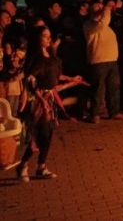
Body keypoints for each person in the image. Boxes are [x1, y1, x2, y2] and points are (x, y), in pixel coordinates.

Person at [17, 27, 82, 182]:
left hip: (50, 99)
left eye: (49, 36)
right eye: (44, 36)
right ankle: (23, 164)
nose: (48, 38)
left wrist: (71, 79)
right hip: (39, 101)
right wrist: (41, 99)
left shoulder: (52, 57)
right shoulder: (36, 58)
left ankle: (41, 166)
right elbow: (30, 80)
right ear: (37, 38)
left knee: (48, 133)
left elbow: (56, 76)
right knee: (39, 134)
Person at [83, 0, 123, 123]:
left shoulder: (105, 25)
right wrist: (107, 8)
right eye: (97, 6)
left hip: (112, 60)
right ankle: (95, 114)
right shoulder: (89, 25)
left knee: (114, 87)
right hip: (98, 61)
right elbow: (103, 21)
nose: (100, 8)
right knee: (98, 89)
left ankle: (114, 111)